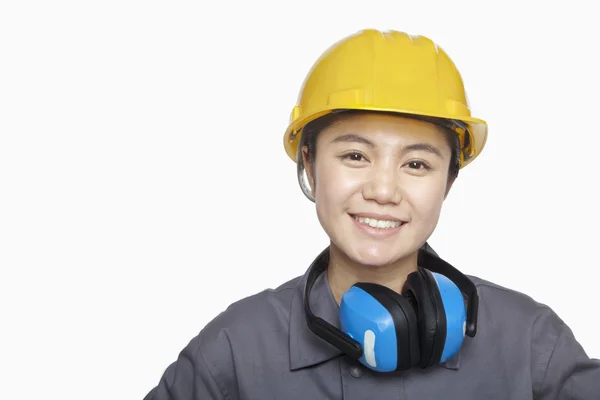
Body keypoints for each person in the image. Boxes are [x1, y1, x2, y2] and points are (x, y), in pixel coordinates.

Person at [143, 29, 600, 399]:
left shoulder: (530, 343)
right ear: (308, 162)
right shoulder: (236, 350)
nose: (383, 190)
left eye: (416, 164)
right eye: (355, 156)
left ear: (449, 182)